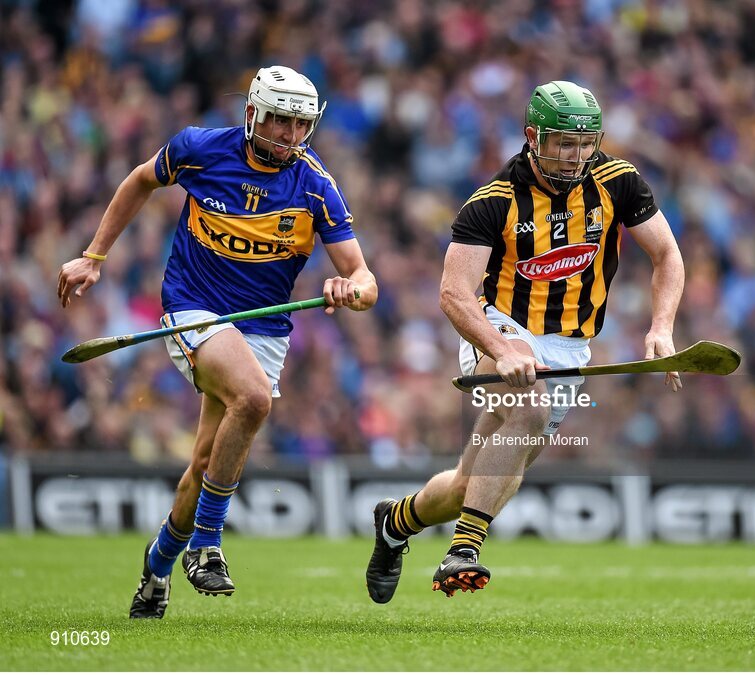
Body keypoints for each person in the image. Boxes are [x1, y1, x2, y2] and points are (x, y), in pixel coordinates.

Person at [57, 65, 378, 619]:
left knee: (205, 461)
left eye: (300, 125)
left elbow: (368, 281)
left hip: (264, 326)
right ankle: (207, 542)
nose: (289, 135)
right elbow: (139, 180)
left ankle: (156, 571)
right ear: (253, 113)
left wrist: (350, 288)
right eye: (279, 120)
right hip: (193, 307)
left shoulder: (316, 185)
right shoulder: (200, 150)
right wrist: (94, 255)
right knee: (252, 399)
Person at [365, 80, 684, 601]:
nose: (574, 155)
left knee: (471, 487)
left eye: (585, 143)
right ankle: (465, 549)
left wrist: (662, 327)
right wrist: (502, 348)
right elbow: (453, 294)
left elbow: (668, 255)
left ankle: (395, 523)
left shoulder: (618, 181)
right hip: (496, 326)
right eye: (562, 142)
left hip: (569, 348)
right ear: (533, 136)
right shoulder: (493, 202)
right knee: (530, 410)